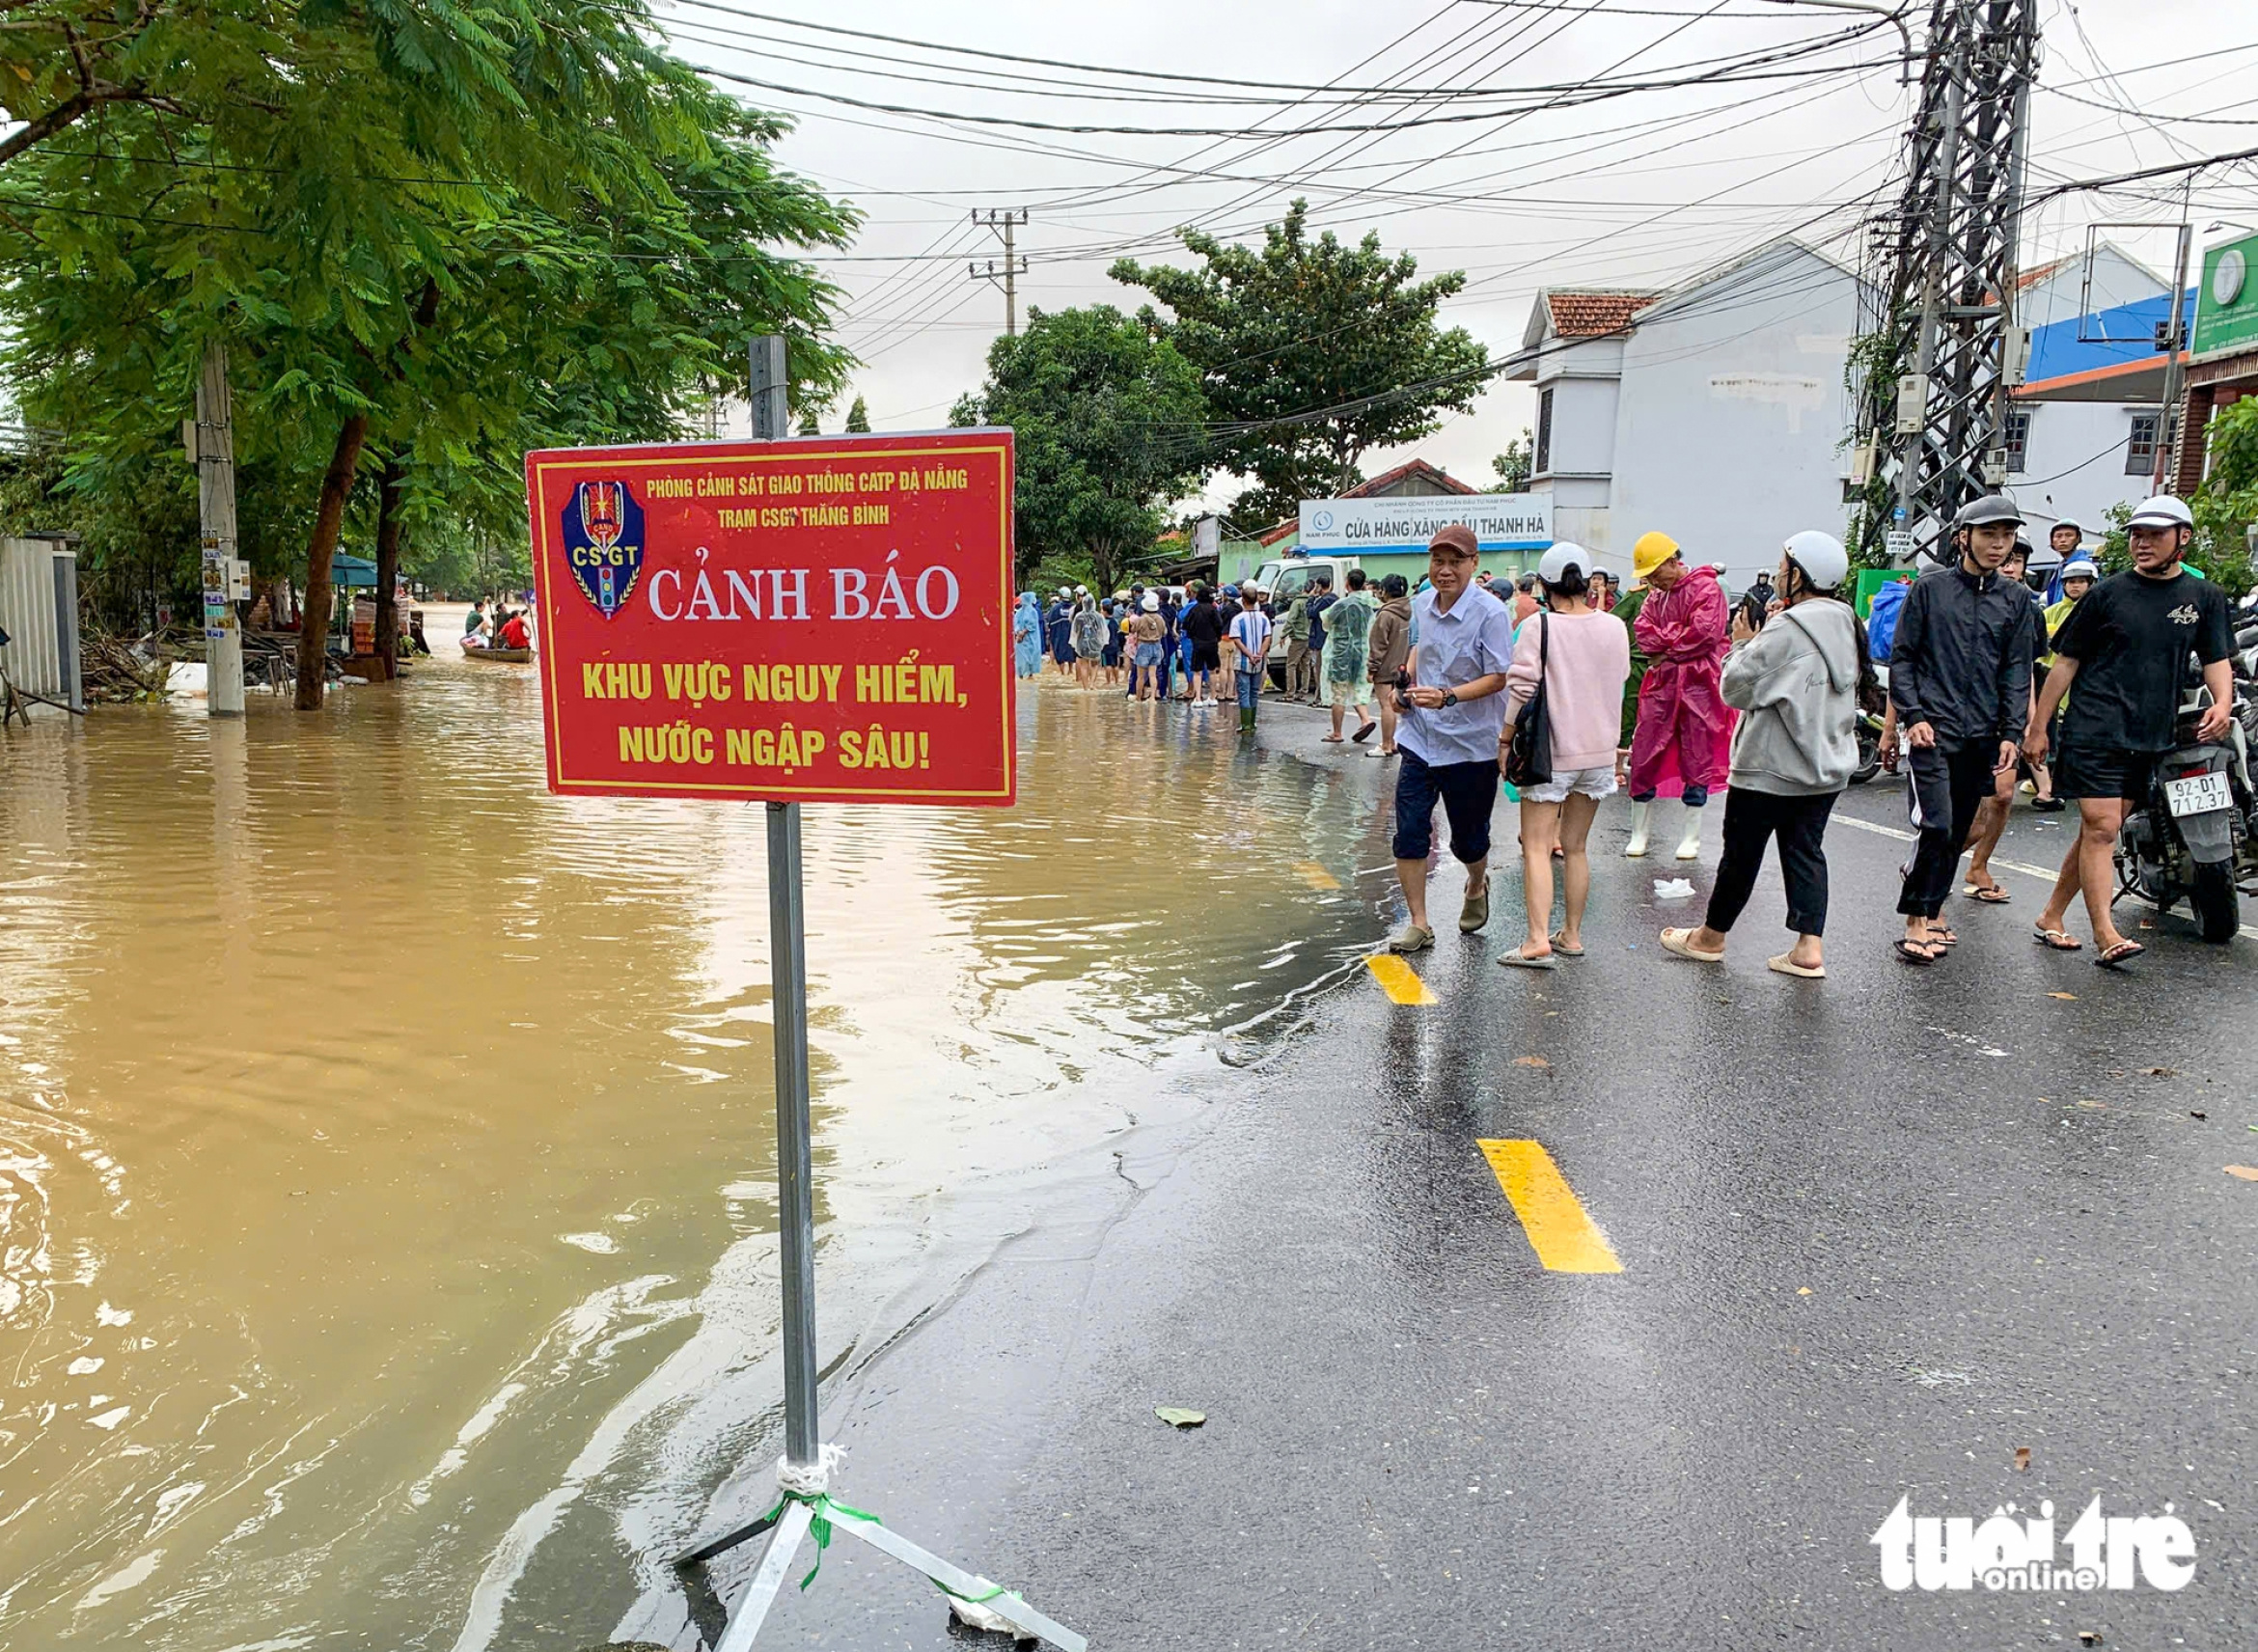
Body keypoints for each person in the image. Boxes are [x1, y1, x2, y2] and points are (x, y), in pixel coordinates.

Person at [2026, 495, 2235, 967]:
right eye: (2137, 535)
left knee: (2101, 830)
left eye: (2154, 535)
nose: (2142, 543)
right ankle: (2106, 933)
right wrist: (2039, 726)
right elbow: (2066, 663)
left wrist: (2222, 702)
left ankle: (2052, 914)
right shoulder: (2106, 594)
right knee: (2102, 828)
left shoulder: (2205, 598)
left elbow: (2217, 659)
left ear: (2182, 538)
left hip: (2151, 731)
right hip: (2095, 726)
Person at [1660, 532, 1867, 979]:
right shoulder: (1846, 622)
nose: (1777, 573)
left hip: (1770, 765)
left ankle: (1710, 938)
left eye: (1783, 566)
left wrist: (1740, 643)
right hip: (1826, 763)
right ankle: (1808, 947)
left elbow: (1735, 688)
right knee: (1805, 850)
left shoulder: (1789, 628)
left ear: (1799, 575)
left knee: (1742, 852)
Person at [1886, 494, 2037, 964]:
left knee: (1958, 830)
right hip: (1933, 730)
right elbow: (1904, 658)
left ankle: (1932, 913)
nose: (1999, 546)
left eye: (2007, 536)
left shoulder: (2016, 600)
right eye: (1989, 534)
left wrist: (2013, 732)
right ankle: (1914, 918)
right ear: (1962, 538)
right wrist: (1914, 716)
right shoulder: (1930, 590)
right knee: (1937, 823)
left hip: (1983, 735)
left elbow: (2017, 670)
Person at [1496, 543, 1631, 969]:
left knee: (1537, 847)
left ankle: (1537, 938)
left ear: (1545, 585)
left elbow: (1521, 689)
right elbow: (1622, 683)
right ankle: (1571, 935)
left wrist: (1505, 739)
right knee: (1575, 848)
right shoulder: (1614, 627)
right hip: (1598, 754)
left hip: (1550, 753)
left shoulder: (1540, 626)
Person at [1385, 525, 1518, 952]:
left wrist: (1447, 696)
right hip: (1420, 740)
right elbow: (1418, 651)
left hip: (1470, 745)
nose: (1445, 571)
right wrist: (1402, 687)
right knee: (1409, 831)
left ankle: (1477, 882)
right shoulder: (1421, 604)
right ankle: (1419, 924)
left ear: (1474, 564)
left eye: (1455, 562)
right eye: (1438, 561)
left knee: (1468, 840)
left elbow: (1500, 676)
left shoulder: (1491, 613)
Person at [1624, 531, 1732, 859]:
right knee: (1644, 750)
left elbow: (1704, 634)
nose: (1654, 582)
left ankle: (1692, 836)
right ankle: (1638, 832)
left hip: (1700, 684)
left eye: (1657, 573)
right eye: (1649, 577)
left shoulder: (1706, 588)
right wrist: (1674, 643)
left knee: (1697, 752)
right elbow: (1644, 633)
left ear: (1673, 561)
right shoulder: (1656, 598)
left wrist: (1667, 649)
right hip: (1662, 685)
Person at [1321, 567, 1380, 744]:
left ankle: (1337, 732)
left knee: (1338, 692)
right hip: (1361, 651)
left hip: (1340, 651)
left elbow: (1326, 621)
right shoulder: (1370, 603)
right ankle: (1366, 719)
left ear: (1347, 583)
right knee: (1356, 687)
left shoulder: (1341, 604)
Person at [1366, 573, 1413, 758]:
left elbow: (1378, 643)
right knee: (1398, 706)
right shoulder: (1411, 611)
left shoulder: (1385, 614)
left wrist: (1372, 668)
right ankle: (1392, 742)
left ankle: (1386, 744)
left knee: (1386, 705)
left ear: (1384, 591)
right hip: (1405, 666)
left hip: (1386, 667)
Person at [1227, 583, 1273, 734]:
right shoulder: (1264, 618)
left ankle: (1245, 724)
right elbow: (1267, 637)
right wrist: (1259, 653)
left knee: (1244, 692)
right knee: (1254, 692)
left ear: (1243, 600)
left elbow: (1237, 640)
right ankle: (1252, 723)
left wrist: (1249, 654)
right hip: (1259, 661)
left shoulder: (1238, 619)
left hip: (1243, 661)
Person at [1180, 584, 1228, 707]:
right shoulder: (1213, 610)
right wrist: (1216, 638)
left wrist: (1193, 636)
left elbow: (1186, 625)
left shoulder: (1194, 609)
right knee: (1212, 671)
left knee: (1197, 671)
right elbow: (1219, 625)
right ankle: (1212, 697)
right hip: (1212, 643)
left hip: (1198, 643)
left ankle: (1198, 698)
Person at [1304, 573, 1336, 704]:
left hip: (1321, 639)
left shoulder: (1325, 600)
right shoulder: (1335, 599)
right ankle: (1322, 697)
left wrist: (1311, 598)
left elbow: (1311, 613)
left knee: (1319, 669)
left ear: (1319, 586)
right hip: (1329, 638)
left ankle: (1321, 697)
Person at [1280, 586, 1315, 702]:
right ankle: (1303, 692)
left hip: (1298, 638)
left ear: (1303, 589)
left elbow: (1291, 620)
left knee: (1291, 665)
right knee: (1306, 666)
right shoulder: (1313, 601)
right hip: (1309, 637)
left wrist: (1283, 634)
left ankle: (1290, 693)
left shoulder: (1298, 602)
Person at [1128, 592, 1166, 702]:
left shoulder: (1141, 619)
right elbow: (1164, 632)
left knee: (1140, 676)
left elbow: (1133, 630)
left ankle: (1139, 698)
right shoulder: (1160, 618)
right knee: (1153, 674)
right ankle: (1153, 698)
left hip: (1143, 646)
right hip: (1157, 646)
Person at [1070, 594, 1105, 689]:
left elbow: (1075, 631)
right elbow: (1103, 630)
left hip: (1082, 642)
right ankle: (1092, 684)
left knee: (1084, 665)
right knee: (1095, 664)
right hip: (1095, 642)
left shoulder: (1078, 616)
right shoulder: (1098, 616)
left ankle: (1085, 687)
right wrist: (1102, 642)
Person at [1735, 568, 1776, 634]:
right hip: (1753, 617)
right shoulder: (1752, 589)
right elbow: (1746, 602)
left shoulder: (1771, 589)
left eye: (1765, 576)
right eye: (1761, 576)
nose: (1763, 578)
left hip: (1765, 617)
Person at [1013, 592, 1043, 678]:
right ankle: (1021, 675)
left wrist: (1024, 632)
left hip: (1031, 639)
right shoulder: (1019, 612)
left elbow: (1032, 624)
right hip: (1021, 640)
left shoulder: (1033, 612)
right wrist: (1018, 632)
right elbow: (1015, 623)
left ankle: (1030, 675)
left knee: (1031, 657)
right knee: (1021, 657)